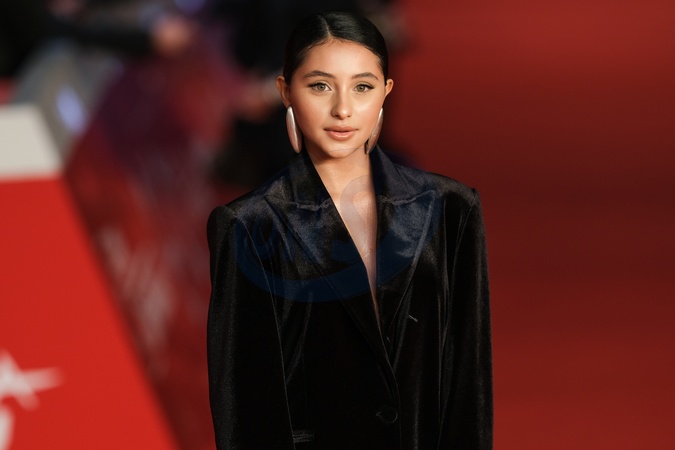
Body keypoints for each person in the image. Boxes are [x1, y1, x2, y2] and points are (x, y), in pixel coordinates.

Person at [206, 11, 493, 450]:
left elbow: (467, 383)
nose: (342, 109)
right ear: (285, 91)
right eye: (320, 86)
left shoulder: (451, 209)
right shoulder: (250, 226)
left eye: (362, 87)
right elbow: (247, 409)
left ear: (386, 92)